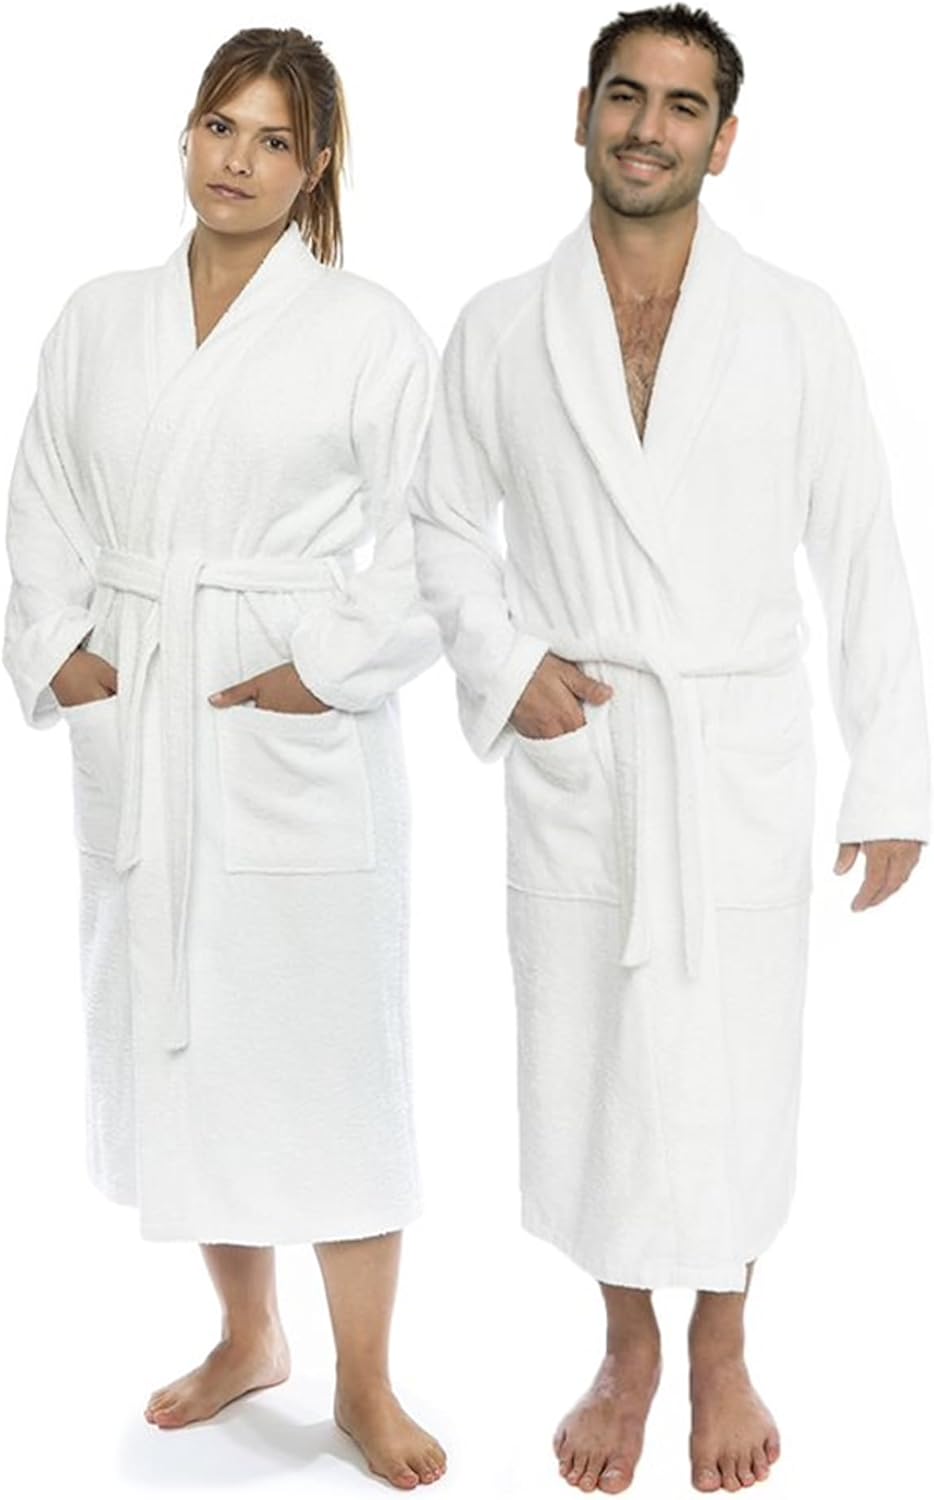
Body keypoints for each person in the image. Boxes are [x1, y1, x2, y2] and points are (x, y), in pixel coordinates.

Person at [411, 5, 929, 1493]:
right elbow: (440, 522)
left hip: (733, 751)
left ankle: (723, 1340)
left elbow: (861, 547)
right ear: (581, 112)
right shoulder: (501, 325)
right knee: (591, 1065)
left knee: (736, 1066)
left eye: (683, 105)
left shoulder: (795, 323)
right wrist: (509, 667)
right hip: (594, 749)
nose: (648, 126)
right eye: (625, 95)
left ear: (725, 138)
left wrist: (891, 768)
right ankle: (627, 1339)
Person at [3, 26, 446, 1492]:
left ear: (314, 169)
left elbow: (436, 529)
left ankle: (365, 1383)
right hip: (145, 712)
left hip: (285, 723)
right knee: (185, 1045)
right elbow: (41, 499)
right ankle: (250, 1336)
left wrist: (323, 673)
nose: (237, 162)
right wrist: (62, 653)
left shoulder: (367, 328)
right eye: (218, 127)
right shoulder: (97, 315)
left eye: (272, 141)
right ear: (184, 135)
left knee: (333, 1063)